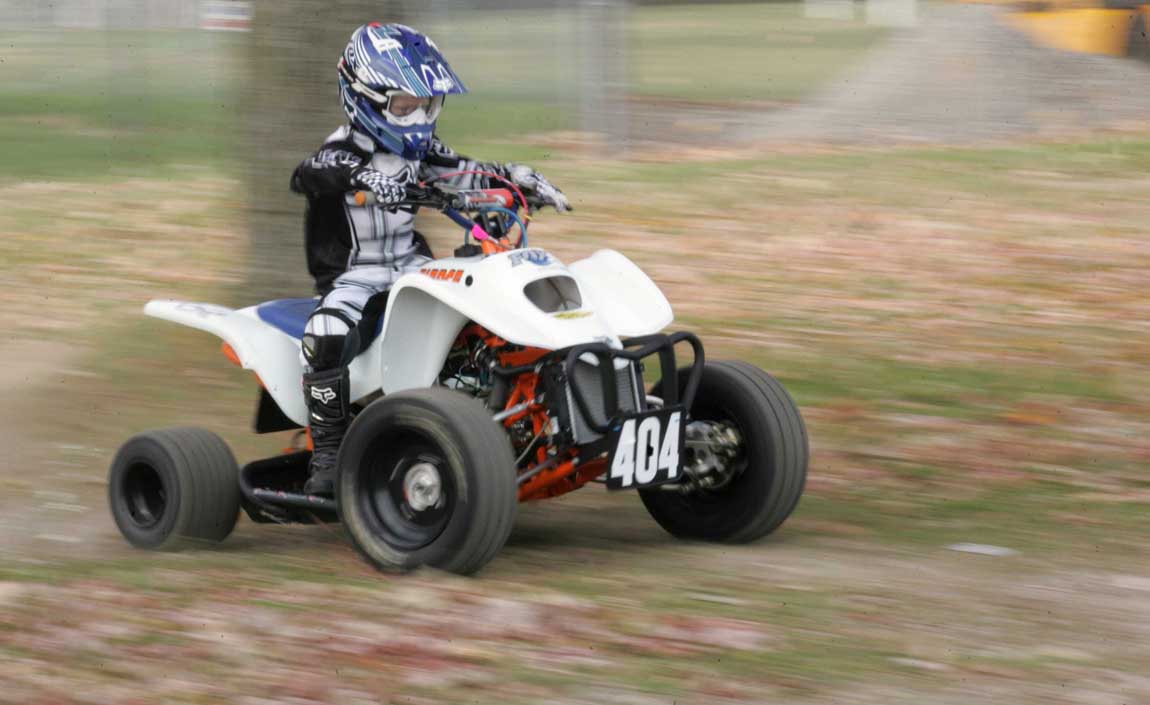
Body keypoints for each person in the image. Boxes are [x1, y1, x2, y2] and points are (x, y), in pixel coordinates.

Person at [290, 22, 570, 495]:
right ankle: (329, 454)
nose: (417, 115)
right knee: (325, 333)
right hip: (357, 277)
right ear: (365, 97)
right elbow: (312, 172)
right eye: (404, 104)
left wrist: (518, 179)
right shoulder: (340, 152)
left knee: (484, 305)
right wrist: (367, 178)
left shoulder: (419, 152)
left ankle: (499, 409)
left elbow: (465, 171)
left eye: (426, 104)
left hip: (412, 267)